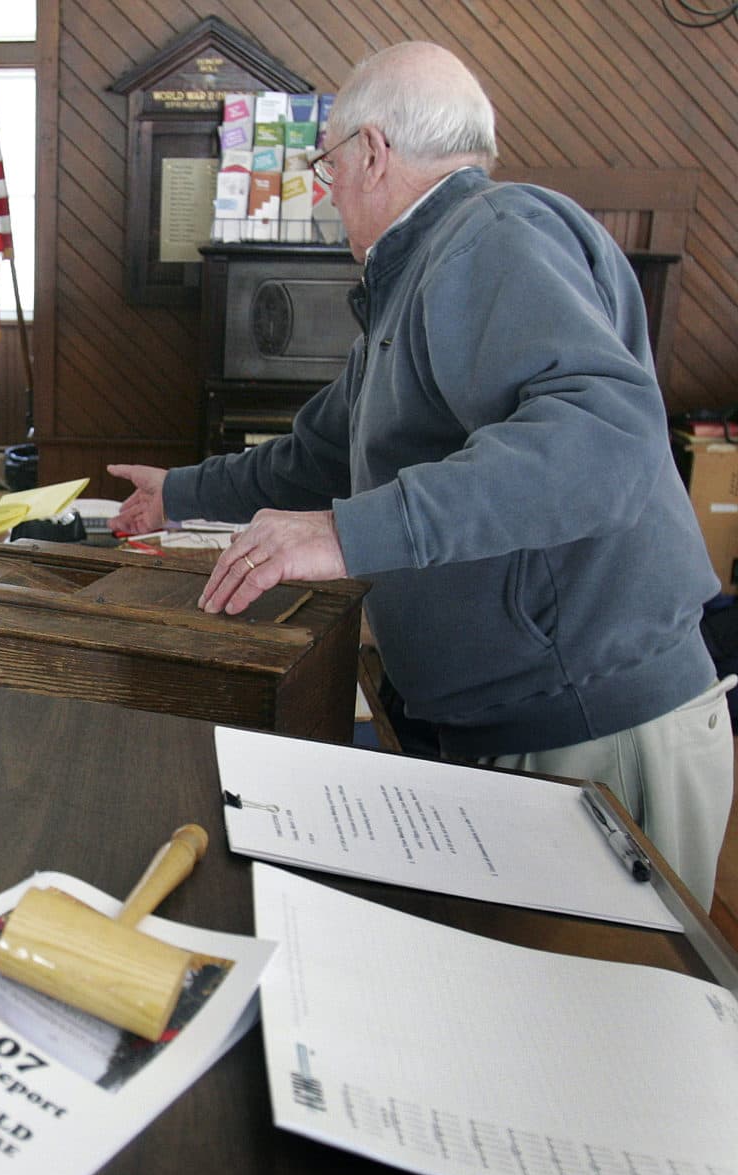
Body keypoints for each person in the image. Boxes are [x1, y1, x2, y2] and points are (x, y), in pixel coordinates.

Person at [108, 42, 731, 906]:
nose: (326, 190)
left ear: (371, 152)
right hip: (514, 723)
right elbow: (314, 456)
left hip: (590, 729)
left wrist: (345, 533)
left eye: (328, 165)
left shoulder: (492, 234)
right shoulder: (417, 280)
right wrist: (175, 493)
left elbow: (603, 441)